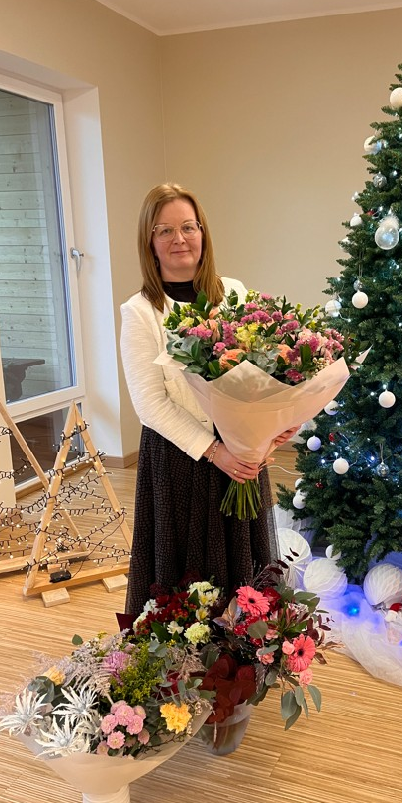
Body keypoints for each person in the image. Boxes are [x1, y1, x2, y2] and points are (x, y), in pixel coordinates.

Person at [120, 183, 296, 616]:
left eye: (188, 227)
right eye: (165, 230)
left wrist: (275, 425)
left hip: (242, 450)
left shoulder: (233, 292)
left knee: (245, 560)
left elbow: (263, 372)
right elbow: (150, 404)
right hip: (181, 458)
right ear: (149, 242)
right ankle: (189, 648)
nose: (179, 239)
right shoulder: (140, 311)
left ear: (202, 233)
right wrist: (215, 452)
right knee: (186, 577)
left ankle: (246, 641)